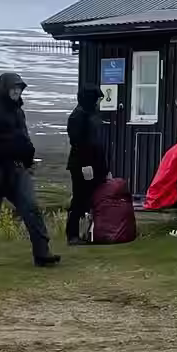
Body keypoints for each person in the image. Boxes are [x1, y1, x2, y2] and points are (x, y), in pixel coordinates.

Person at [0, 71, 59, 267]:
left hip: (17, 168)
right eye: (13, 88)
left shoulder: (18, 111)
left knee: (31, 208)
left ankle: (42, 254)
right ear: (4, 88)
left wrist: (28, 159)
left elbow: (22, 138)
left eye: (19, 88)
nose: (16, 91)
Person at [64, 85, 110, 243]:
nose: (98, 102)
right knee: (79, 199)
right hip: (82, 165)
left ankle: (91, 232)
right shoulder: (78, 117)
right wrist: (86, 166)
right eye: (97, 99)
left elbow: (96, 143)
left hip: (94, 164)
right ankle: (73, 234)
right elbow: (78, 143)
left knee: (92, 199)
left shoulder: (91, 114)